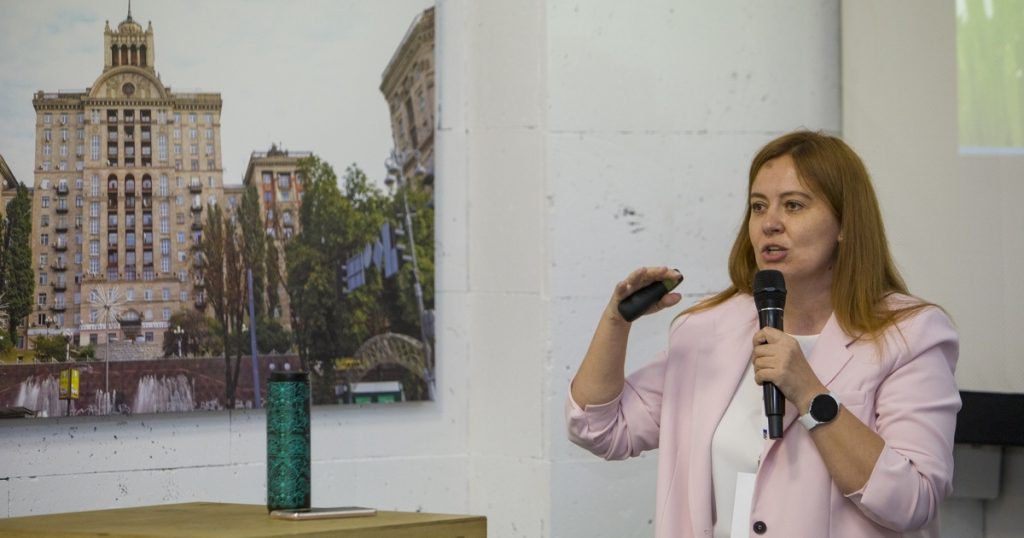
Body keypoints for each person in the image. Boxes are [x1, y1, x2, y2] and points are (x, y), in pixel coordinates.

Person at [566, 130, 960, 538]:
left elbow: (913, 499)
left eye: (793, 205)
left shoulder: (909, 336)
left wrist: (809, 393)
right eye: (758, 207)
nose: (770, 224)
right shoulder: (708, 331)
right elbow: (600, 428)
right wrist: (616, 322)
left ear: (845, 223)